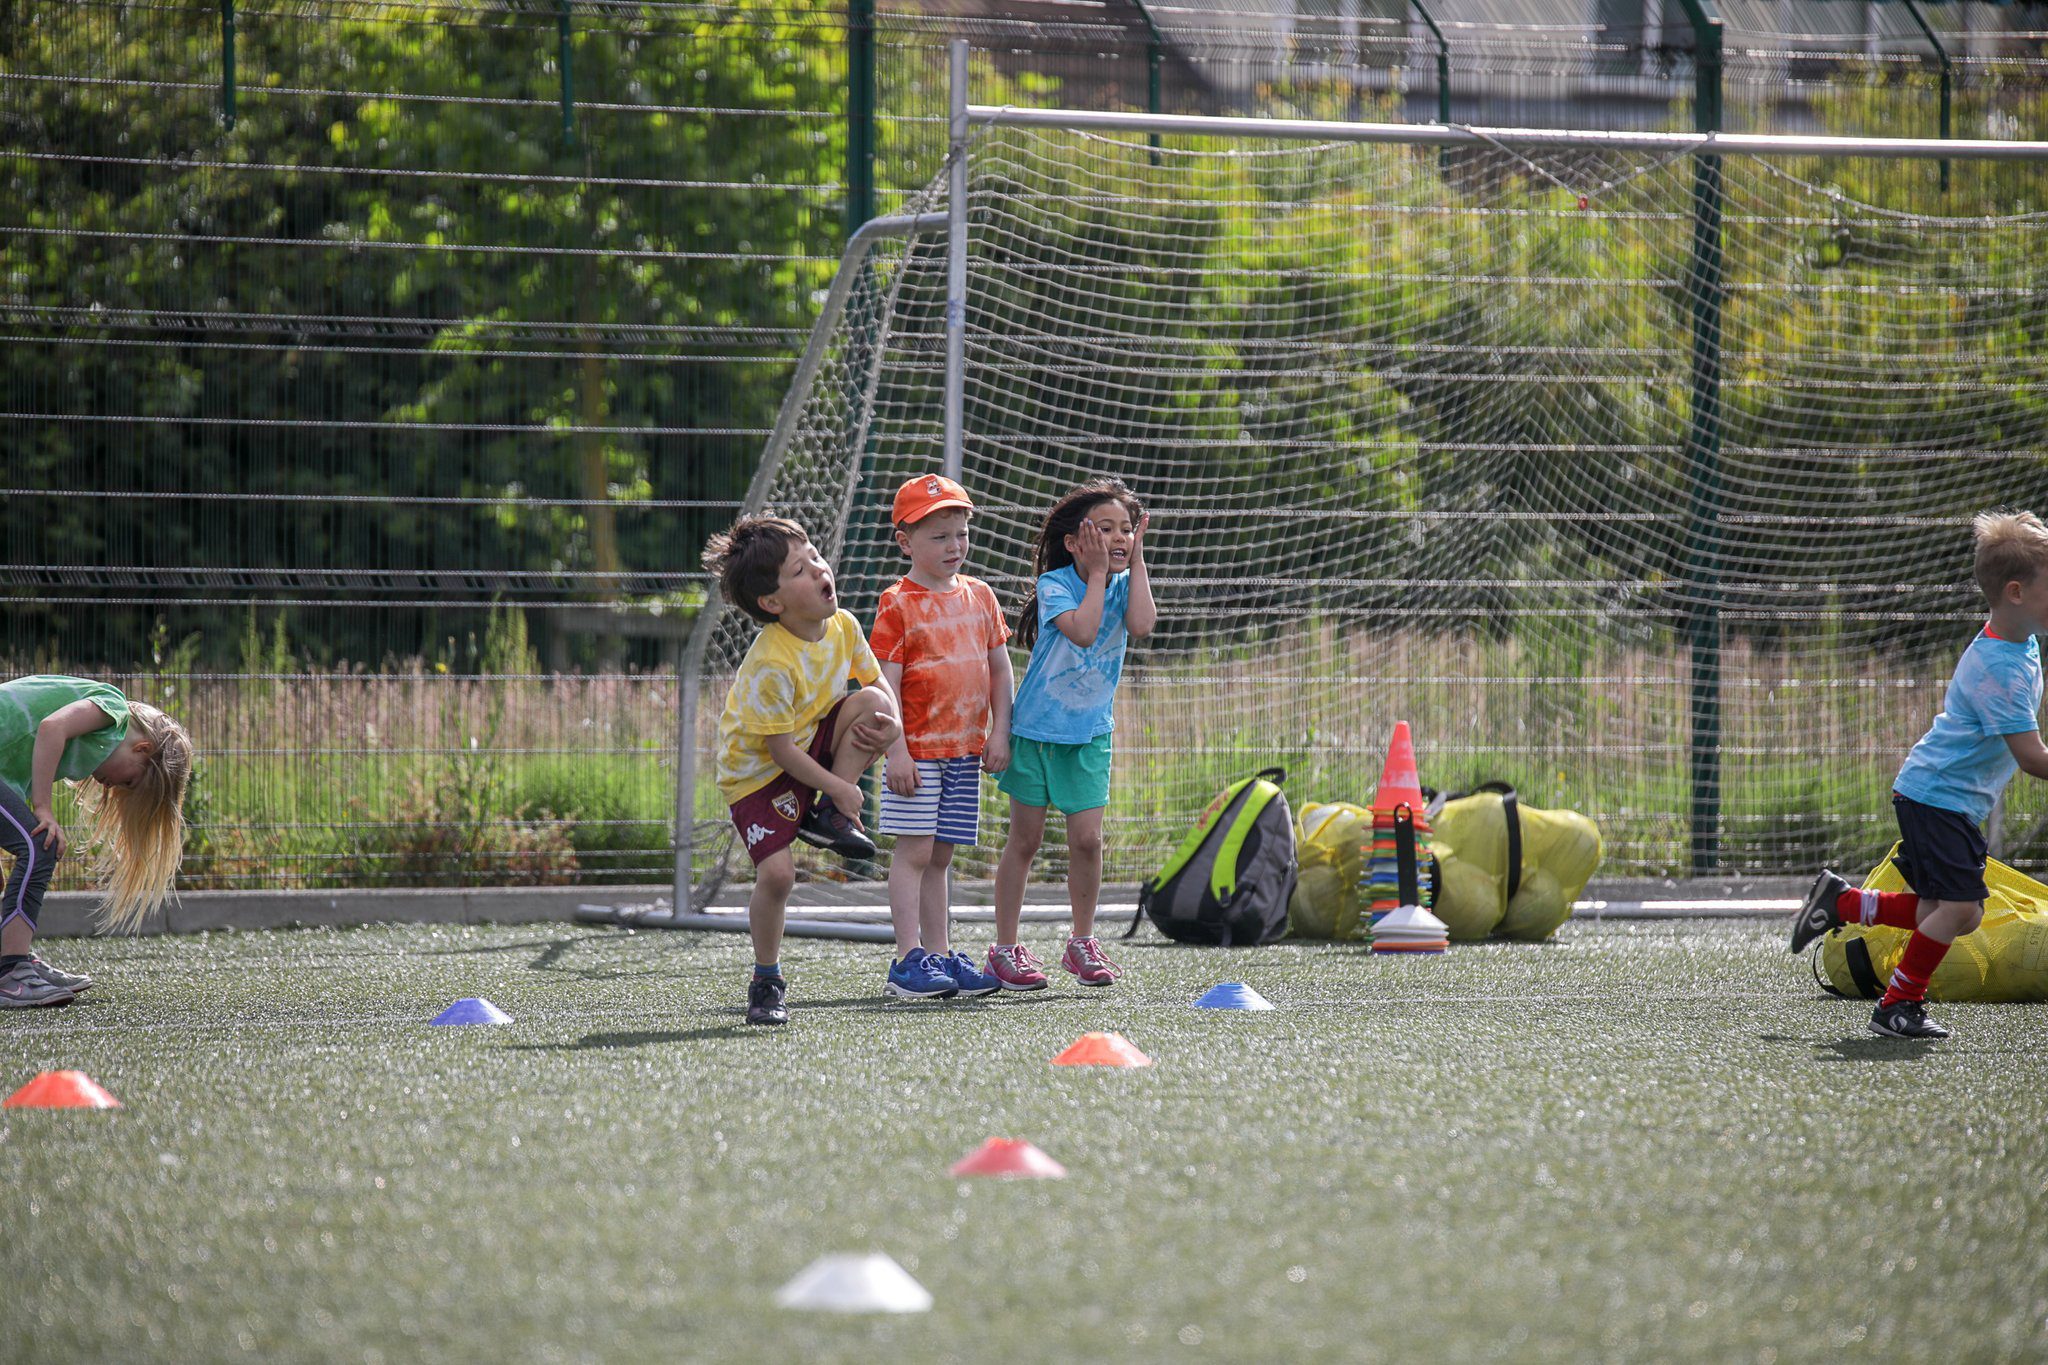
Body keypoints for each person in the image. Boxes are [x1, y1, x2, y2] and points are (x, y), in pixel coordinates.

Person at [1790, 510, 2048, 1039]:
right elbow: (2031, 757)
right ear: (2016, 593)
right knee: (1958, 909)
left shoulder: (2021, 642)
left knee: (1955, 912)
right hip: (1938, 800)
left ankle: (1843, 903)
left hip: (1941, 799)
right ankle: (1897, 1005)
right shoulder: (2000, 668)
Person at [704, 516, 901, 1025]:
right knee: (778, 875)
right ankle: (766, 980)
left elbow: (877, 685)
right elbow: (778, 752)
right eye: (800, 569)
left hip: (806, 747)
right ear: (773, 603)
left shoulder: (844, 626)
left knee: (875, 706)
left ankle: (827, 813)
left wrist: (894, 734)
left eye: (815, 556)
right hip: (757, 775)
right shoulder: (771, 662)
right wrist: (840, 783)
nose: (818, 569)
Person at [988, 478, 1155, 989]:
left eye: (1126, 529)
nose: (1118, 537)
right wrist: (1100, 573)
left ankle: (1082, 942)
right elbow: (1082, 631)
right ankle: (1005, 948)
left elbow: (1142, 624)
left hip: (1088, 736)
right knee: (1025, 840)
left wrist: (1136, 561)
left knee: (1087, 840)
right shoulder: (1054, 584)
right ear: (1074, 542)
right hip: (1035, 733)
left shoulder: (1125, 582)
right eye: (1105, 529)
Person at [869, 475, 1013, 1001]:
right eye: (939, 537)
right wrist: (897, 751)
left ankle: (940, 955)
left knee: (941, 857)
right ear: (905, 542)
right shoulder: (896, 603)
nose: (954, 546)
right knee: (914, 853)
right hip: (917, 755)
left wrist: (1000, 731)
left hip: (964, 752)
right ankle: (908, 959)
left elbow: (1000, 669)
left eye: (961, 534)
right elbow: (883, 684)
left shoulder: (981, 596)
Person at [0, 675, 193, 1007]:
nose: (113, 787)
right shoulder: (113, 708)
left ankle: (11, 958)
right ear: (142, 749)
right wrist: (43, 808)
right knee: (40, 846)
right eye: (129, 781)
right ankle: (11, 970)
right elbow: (51, 727)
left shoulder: (95, 735)